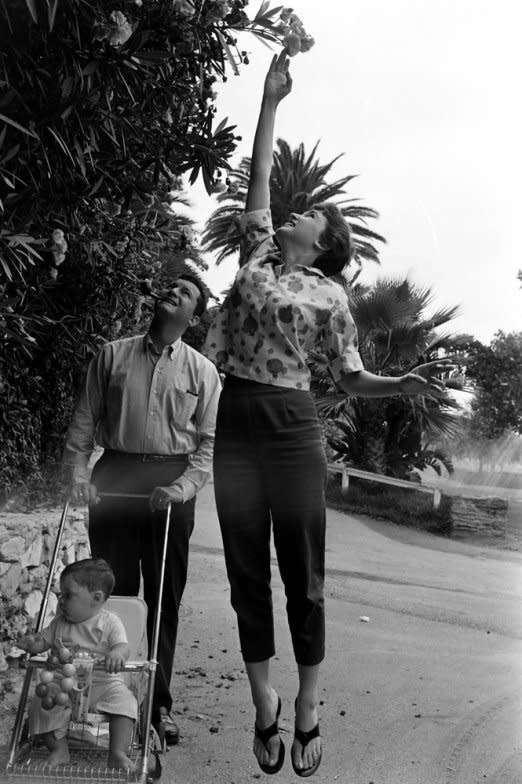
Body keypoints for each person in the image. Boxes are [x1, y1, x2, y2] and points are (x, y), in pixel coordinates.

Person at [203, 51, 450, 777]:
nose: (293, 211)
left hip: (291, 427)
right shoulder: (255, 254)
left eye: (308, 214)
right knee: (246, 575)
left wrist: (398, 383)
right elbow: (259, 177)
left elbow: (350, 377)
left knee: (301, 575)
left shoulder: (330, 297)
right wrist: (270, 101)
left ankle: (308, 709)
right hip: (238, 419)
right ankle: (265, 705)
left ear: (324, 244)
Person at [63, 272, 222, 746]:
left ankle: (158, 707)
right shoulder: (111, 354)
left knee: (162, 600)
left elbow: (209, 443)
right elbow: (84, 421)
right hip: (115, 477)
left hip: (170, 489)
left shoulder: (202, 372)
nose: (173, 291)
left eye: (187, 292)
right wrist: (79, 477)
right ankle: (108, 706)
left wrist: (183, 487)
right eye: (170, 285)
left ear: (193, 316)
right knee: (108, 598)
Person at [18, 558, 137, 771]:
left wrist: (117, 654)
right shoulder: (59, 623)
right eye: (61, 595)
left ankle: (117, 752)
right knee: (41, 700)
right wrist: (31, 643)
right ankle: (58, 748)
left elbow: (122, 646)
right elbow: (42, 641)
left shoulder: (110, 622)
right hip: (63, 683)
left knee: (126, 703)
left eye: (68, 595)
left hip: (102, 683)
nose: (61, 601)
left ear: (96, 598)